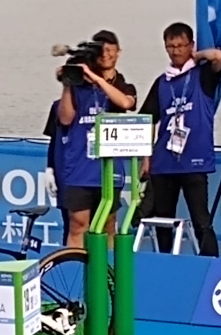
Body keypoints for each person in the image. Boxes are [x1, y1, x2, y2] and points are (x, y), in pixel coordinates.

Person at [138, 22, 221, 257]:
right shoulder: (162, 82)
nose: (176, 51)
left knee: (201, 221)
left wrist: (199, 56)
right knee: (163, 221)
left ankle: (213, 269)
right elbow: (147, 120)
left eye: (181, 46)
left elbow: (218, 57)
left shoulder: (203, 74)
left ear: (191, 45)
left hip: (194, 162)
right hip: (164, 163)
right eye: (171, 46)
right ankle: (165, 265)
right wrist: (146, 158)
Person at [57, 30, 137, 248]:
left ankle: (107, 268)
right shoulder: (79, 88)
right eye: (101, 51)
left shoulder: (121, 85)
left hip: (109, 170)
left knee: (108, 224)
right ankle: (75, 266)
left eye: (110, 50)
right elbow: (65, 119)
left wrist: (97, 79)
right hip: (80, 169)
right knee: (78, 224)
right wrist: (68, 83)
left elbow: (126, 103)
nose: (105, 55)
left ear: (118, 52)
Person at [43, 99, 70, 246]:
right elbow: (54, 140)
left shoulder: (104, 103)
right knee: (70, 224)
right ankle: (71, 259)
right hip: (67, 174)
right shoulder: (59, 106)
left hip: (98, 173)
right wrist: (50, 169)